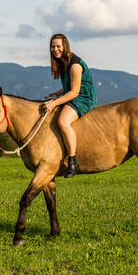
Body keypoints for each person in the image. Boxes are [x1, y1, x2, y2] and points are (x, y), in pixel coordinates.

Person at [43, 34, 97, 178]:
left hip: (84, 97)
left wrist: (54, 103)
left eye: (58, 46)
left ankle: (73, 160)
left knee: (62, 121)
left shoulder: (74, 64)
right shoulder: (62, 63)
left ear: (65, 46)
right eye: (53, 47)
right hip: (74, 94)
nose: (55, 49)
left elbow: (74, 91)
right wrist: (57, 93)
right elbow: (69, 86)